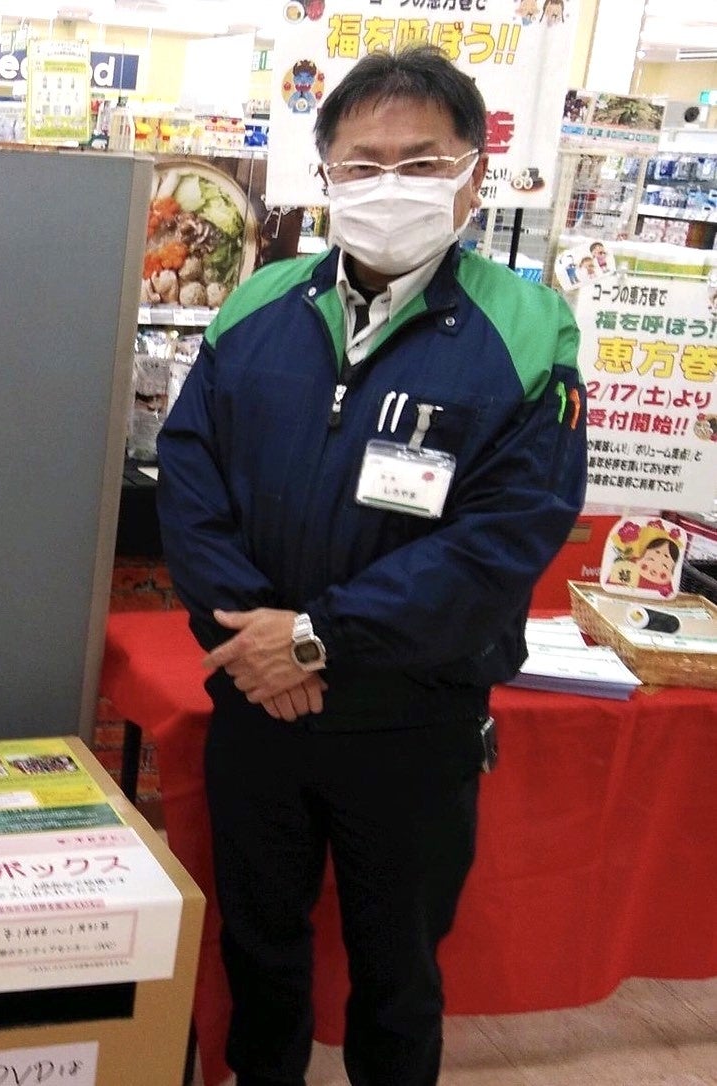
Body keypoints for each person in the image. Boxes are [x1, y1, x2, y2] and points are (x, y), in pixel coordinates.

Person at [157, 46, 586, 1086]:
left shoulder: (525, 329)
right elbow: (189, 475)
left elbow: (502, 538)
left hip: (409, 717)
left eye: (418, 161)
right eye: (361, 164)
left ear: (471, 175)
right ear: (324, 174)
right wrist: (247, 639)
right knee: (257, 951)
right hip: (257, 704)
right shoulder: (256, 302)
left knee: (396, 970)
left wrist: (315, 637)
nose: (387, 185)